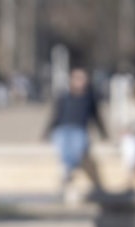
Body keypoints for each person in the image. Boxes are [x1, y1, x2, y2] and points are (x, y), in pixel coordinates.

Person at [42, 67, 108, 200]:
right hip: (63, 128)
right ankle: (68, 169)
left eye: (83, 78)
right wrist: (46, 132)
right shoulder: (64, 97)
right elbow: (55, 115)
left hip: (79, 129)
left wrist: (104, 133)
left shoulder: (89, 98)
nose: (81, 81)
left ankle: (67, 170)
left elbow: (96, 117)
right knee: (63, 144)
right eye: (78, 78)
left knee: (78, 145)